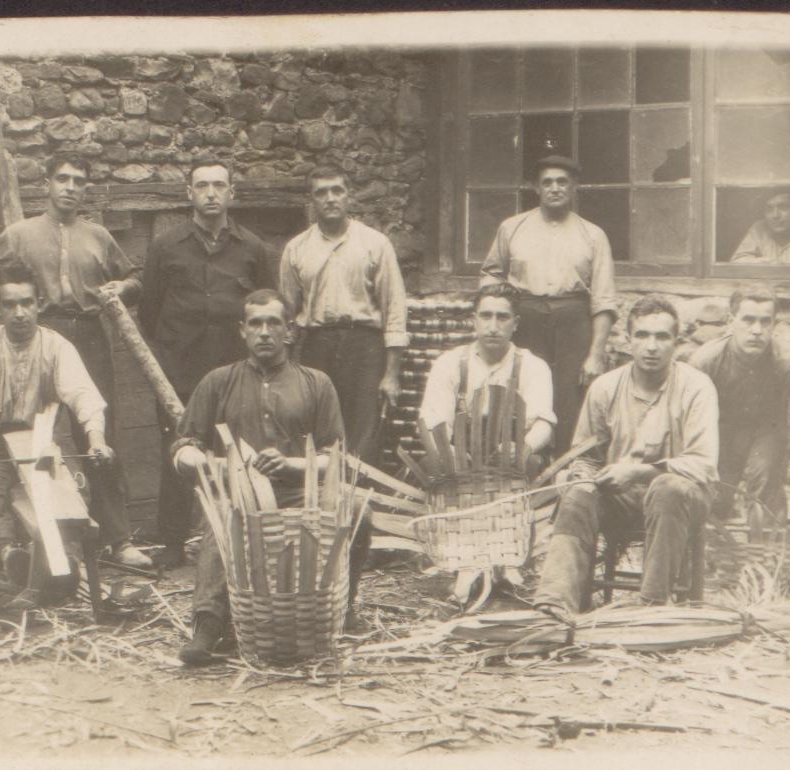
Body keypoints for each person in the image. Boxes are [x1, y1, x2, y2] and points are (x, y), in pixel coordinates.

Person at [0, 151, 149, 567]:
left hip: (89, 334)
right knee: (25, 428)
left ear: (86, 189)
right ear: (47, 183)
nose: (70, 188)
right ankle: (30, 539)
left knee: (97, 429)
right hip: (37, 337)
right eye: (62, 179)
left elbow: (135, 276)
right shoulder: (18, 234)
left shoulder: (98, 236)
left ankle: (118, 540)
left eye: (79, 181)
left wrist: (123, 288)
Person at [170, 290, 347, 665]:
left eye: (273, 323)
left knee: (357, 514)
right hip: (239, 494)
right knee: (221, 519)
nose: (264, 332)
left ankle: (342, 611)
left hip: (300, 494)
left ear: (290, 331)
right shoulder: (218, 381)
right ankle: (207, 627)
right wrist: (219, 464)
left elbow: (334, 458)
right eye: (255, 323)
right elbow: (183, 448)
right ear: (242, 330)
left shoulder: (317, 383)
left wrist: (292, 465)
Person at [532, 296, 719, 622]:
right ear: (628, 340)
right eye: (642, 335)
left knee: (668, 488)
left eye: (662, 337)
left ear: (676, 342)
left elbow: (702, 464)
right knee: (578, 495)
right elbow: (587, 457)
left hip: (683, 500)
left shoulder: (696, 387)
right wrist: (579, 477)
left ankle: (651, 608)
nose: (651, 346)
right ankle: (555, 604)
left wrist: (637, 472)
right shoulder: (605, 388)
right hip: (621, 500)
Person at [0, 262, 113, 589]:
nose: (19, 313)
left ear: (39, 304)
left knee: (73, 487)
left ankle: (67, 563)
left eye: (26, 303)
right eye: (10, 305)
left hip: (41, 437)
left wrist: (97, 440)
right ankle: (9, 556)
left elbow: (84, 396)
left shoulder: (57, 347)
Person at [140, 157, 278, 567]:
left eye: (219, 185)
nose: (211, 194)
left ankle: (237, 537)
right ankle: (172, 541)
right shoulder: (166, 246)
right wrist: (175, 348)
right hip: (180, 368)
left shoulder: (252, 248)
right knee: (179, 449)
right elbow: (149, 310)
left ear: (232, 193)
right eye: (202, 186)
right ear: (189, 193)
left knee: (238, 450)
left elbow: (265, 305)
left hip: (234, 370)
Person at [479, 156, 619, 455]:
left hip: (573, 321)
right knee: (521, 391)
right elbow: (491, 274)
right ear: (536, 188)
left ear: (574, 186)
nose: (555, 188)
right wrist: (498, 312)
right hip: (525, 318)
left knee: (572, 398)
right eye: (547, 182)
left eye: (562, 182)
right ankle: (520, 464)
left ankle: (567, 468)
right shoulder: (512, 228)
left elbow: (604, 298)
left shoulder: (593, 235)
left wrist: (596, 354)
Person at [279, 165, 408, 467]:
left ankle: (361, 492)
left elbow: (394, 308)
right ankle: (318, 492)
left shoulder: (375, 244)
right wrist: (283, 368)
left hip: (364, 346)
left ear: (349, 195)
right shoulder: (296, 249)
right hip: (316, 345)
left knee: (363, 429)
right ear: (311, 200)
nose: (330, 198)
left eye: (337, 190)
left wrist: (391, 373)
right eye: (321, 193)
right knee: (315, 424)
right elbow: (286, 315)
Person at [689, 288, 790, 525]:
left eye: (765, 321)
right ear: (731, 321)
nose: (757, 330)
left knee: (765, 487)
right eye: (748, 320)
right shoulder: (705, 362)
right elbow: (690, 432)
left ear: (774, 324)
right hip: (720, 434)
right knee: (712, 503)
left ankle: (767, 544)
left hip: (768, 432)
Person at [419, 283, 556, 477]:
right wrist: (446, 451)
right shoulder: (449, 363)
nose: (493, 327)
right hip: (459, 463)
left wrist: (523, 448)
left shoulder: (534, 366)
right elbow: (432, 420)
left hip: (512, 464)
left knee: (533, 463)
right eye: (486, 316)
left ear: (515, 323)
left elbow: (543, 424)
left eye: (502, 317)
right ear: (474, 320)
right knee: (430, 464)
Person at [730, 190, 790, 264]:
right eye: (769, 209)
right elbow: (737, 260)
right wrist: (769, 262)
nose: (775, 215)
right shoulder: (759, 228)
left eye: (783, 207)